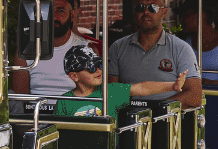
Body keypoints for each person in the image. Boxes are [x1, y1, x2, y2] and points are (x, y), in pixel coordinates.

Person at [108, 0, 202, 107]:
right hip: (127, 117)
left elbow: (194, 96)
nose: (146, 12)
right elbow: (111, 92)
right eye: (140, 7)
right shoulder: (118, 47)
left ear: (164, 12)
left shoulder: (181, 48)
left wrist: (160, 109)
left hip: (167, 119)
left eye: (153, 7)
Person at [11, 0, 99, 97]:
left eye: (61, 10)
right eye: (50, 10)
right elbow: (19, 100)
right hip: (36, 113)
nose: (54, 16)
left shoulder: (87, 49)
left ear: (72, 15)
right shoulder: (26, 50)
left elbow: (92, 99)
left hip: (73, 113)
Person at [55, 45, 187, 116]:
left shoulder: (111, 91)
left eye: (99, 65)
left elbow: (142, 88)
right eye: (90, 67)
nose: (98, 70)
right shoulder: (64, 102)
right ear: (74, 76)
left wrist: (173, 85)